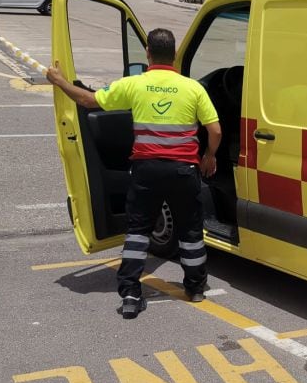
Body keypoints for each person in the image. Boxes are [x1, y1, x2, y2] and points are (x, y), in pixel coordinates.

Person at [47, 28, 222, 319]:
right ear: (175, 54)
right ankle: (195, 287)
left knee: (139, 233)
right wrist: (209, 155)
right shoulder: (192, 88)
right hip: (183, 170)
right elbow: (214, 129)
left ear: (148, 53)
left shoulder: (135, 85)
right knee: (190, 231)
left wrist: (60, 81)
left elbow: (89, 101)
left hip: (147, 171)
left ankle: (130, 293)